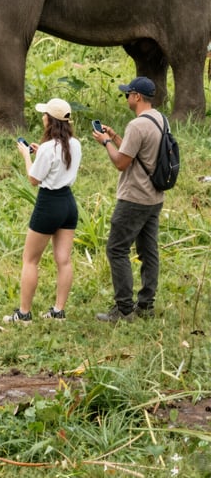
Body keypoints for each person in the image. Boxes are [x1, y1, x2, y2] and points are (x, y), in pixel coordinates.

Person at [92, 77, 165, 322]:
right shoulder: (159, 119)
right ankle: (145, 306)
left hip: (134, 198)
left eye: (127, 94)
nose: (126, 98)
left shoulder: (136, 125)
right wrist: (115, 137)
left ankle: (123, 309)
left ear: (136, 96)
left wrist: (106, 143)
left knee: (116, 249)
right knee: (148, 251)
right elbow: (136, 155)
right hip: (154, 197)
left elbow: (122, 163)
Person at [3, 98, 82, 323]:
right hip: (68, 203)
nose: (42, 116)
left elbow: (33, 179)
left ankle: (24, 313)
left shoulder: (48, 148)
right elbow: (59, 163)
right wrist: (41, 155)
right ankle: (59, 311)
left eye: (44, 114)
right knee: (64, 260)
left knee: (30, 260)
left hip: (49, 203)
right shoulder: (75, 144)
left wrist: (28, 156)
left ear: (50, 120)